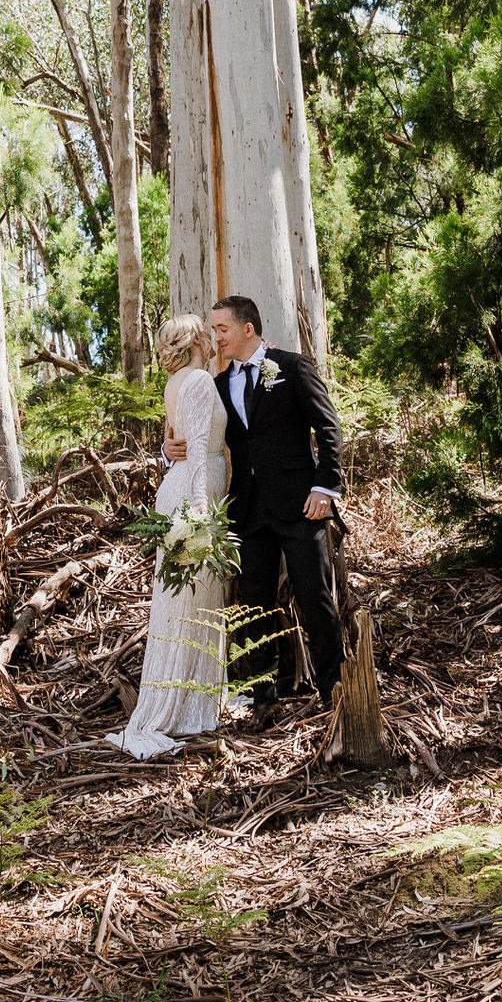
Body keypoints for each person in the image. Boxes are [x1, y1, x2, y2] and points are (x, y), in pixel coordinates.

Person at [203, 294, 344, 718]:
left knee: (315, 596)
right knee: (254, 603)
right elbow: (200, 433)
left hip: (301, 505)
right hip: (248, 511)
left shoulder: (292, 366)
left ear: (248, 329)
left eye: (222, 329)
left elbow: (328, 426)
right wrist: (169, 448)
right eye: (213, 330)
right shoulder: (218, 385)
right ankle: (264, 698)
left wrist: (326, 485)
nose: (216, 338)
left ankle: (334, 689)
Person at [109, 314, 230, 758]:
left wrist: (165, 455)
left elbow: (173, 443)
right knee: (189, 600)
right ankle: (179, 708)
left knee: (190, 600)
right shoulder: (197, 380)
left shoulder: (178, 380)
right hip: (193, 496)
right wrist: (201, 509)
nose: (214, 337)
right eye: (208, 330)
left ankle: (194, 698)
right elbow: (196, 449)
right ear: (196, 338)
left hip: (180, 488)